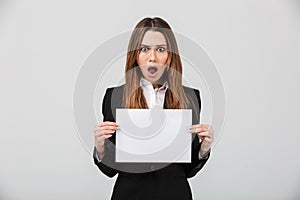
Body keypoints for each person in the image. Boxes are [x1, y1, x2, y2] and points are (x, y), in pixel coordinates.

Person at [93, 17, 214, 200]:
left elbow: (188, 170)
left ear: (170, 55)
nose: (152, 57)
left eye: (160, 49)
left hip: (174, 194)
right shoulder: (115, 96)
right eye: (144, 49)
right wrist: (101, 147)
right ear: (135, 54)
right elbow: (110, 170)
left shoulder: (190, 98)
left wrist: (204, 149)